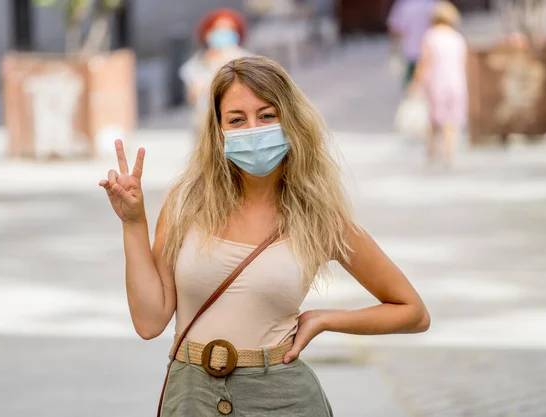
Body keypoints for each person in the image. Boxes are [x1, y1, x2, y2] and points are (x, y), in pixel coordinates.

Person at [99, 56, 430, 416]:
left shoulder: (319, 216)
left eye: (267, 115)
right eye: (237, 120)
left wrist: (325, 319)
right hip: (191, 396)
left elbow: (413, 312)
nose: (253, 129)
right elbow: (149, 322)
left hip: (282, 398)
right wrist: (133, 222)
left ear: (290, 120)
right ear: (219, 130)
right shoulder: (186, 201)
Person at [179, 8, 252, 137]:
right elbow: (191, 98)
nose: (224, 34)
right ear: (207, 33)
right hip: (204, 128)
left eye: (230, 29)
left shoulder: (246, 60)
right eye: (219, 29)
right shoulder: (194, 64)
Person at [411, 1, 467, 165]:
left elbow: (424, 62)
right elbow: (462, 63)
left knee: (434, 120)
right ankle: (449, 153)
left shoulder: (431, 36)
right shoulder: (457, 38)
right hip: (456, 83)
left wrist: (416, 82)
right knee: (451, 120)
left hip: (437, 83)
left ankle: (431, 152)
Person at [387, 0, 437, 87]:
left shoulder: (403, 4)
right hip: (430, 53)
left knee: (411, 89)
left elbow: (395, 28)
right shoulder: (432, 3)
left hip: (411, 51)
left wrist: (393, 49)